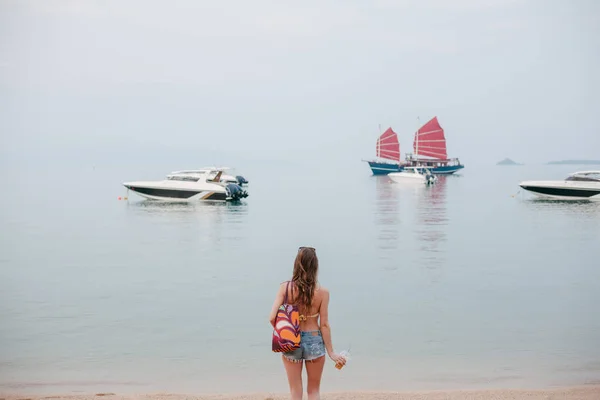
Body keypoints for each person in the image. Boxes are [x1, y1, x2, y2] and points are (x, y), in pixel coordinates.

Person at [269, 246, 346, 400]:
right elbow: (324, 324)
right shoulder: (323, 293)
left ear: (296, 264)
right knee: (314, 391)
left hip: (291, 341)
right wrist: (331, 352)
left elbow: (272, 317)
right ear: (315, 266)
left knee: (295, 391)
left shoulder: (285, 288)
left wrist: (284, 333)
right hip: (314, 340)